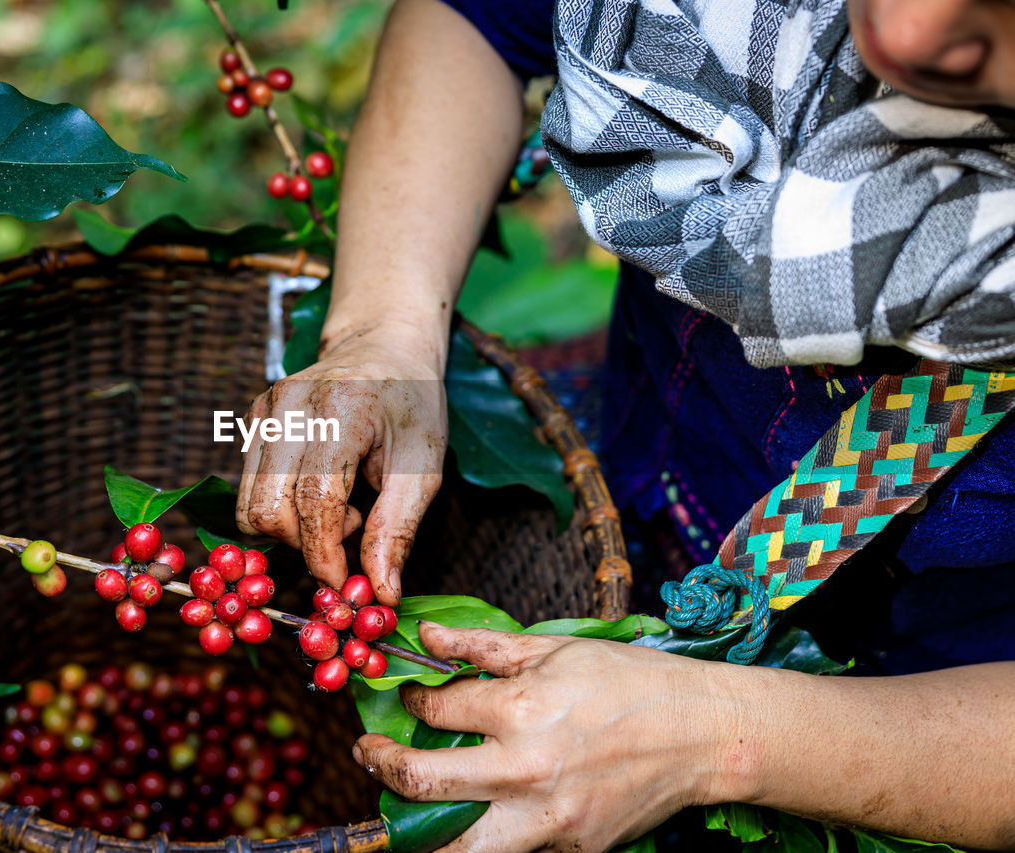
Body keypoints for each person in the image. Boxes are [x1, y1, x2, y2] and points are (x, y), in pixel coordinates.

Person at [235, 1, 1015, 849]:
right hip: (641, 462)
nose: (905, 31)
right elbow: (479, 18)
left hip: (918, 729)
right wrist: (381, 331)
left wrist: (717, 737)